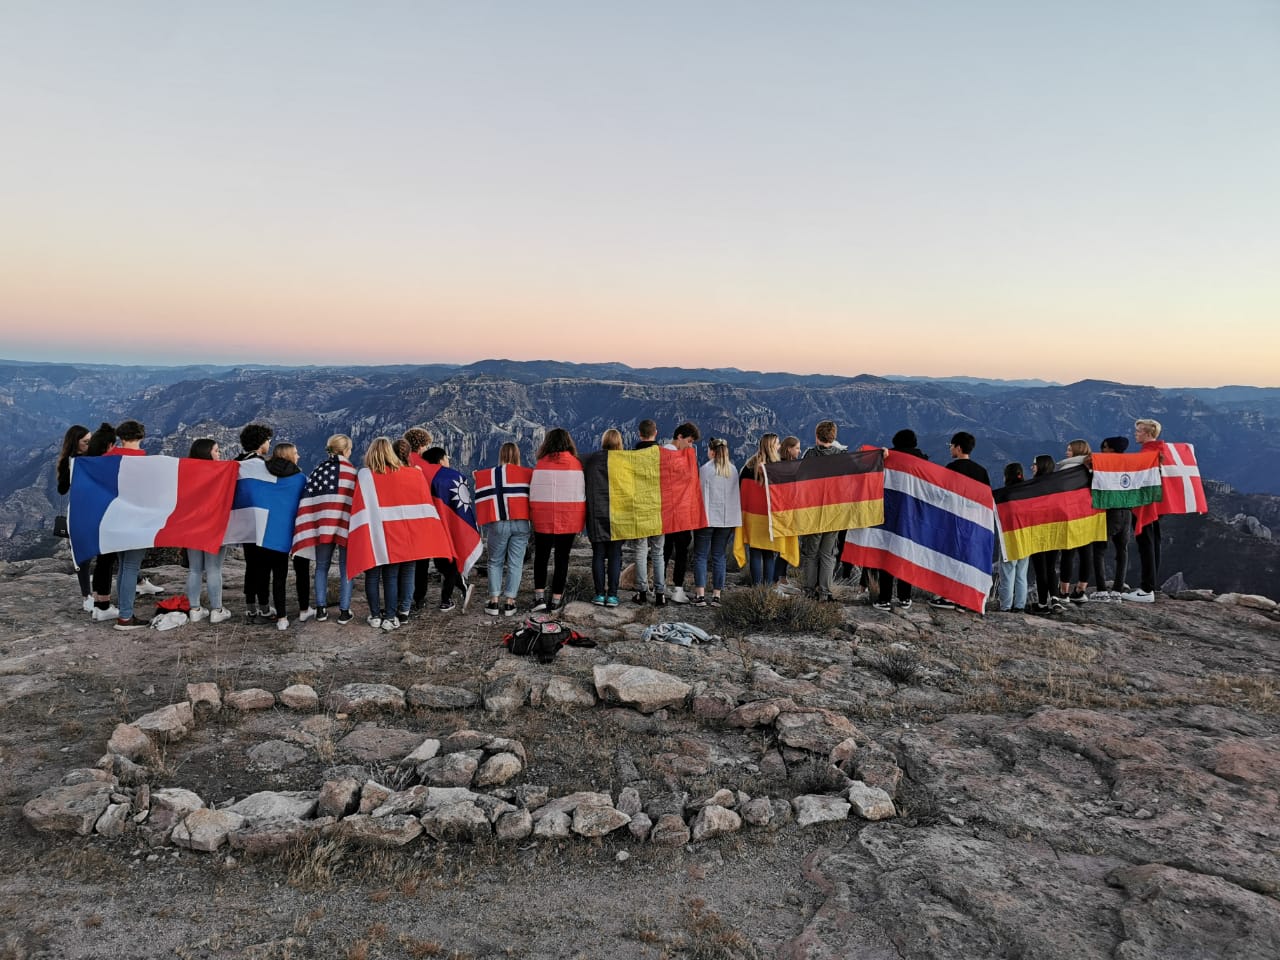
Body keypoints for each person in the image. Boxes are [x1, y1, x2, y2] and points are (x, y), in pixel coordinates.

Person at [298, 434, 358, 624]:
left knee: (321, 567)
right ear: (346, 450)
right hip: (345, 525)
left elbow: (309, 499)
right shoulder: (353, 473)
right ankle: (344, 610)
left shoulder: (318, 471)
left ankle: (321, 609)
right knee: (346, 568)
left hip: (322, 525)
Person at [929, 431, 992, 609]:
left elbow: (941, 494)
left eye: (951, 445)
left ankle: (949, 597)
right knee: (967, 557)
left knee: (950, 555)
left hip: (952, 519)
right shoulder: (981, 471)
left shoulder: (951, 468)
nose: (950, 448)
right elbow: (985, 498)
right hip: (973, 521)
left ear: (958, 447)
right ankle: (965, 597)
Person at [529, 428, 585, 613]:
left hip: (543, 518)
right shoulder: (576, 464)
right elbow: (580, 493)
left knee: (541, 558)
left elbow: (534, 493)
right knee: (562, 558)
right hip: (568, 517)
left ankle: (539, 599)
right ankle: (556, 600)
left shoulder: (541, 464)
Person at [361, 436, 414, 630]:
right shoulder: (403, 473)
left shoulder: (364, 475)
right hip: (394, 532)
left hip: (371, 532)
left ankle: (375, 615)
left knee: (372, 576)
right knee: (391, 576)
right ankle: (391, 616)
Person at [872, 429, 928, 611]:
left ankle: (884, 599)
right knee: (906, 553)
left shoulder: (888, 458)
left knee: (887, 555)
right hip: (913, 516)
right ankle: (905, 597)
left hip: (890, 513)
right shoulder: (923, 462)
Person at [476, 442, 531, 617]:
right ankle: (510, 602)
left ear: (501, 455)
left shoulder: (491, 474)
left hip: (499, 522)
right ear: (517, 455)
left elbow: (478, 482)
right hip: (521, 523)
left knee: (495, 561)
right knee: (516, 563)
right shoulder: (528, 474)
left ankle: (493, 601)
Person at [106, 420, 151, 630]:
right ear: (141, 437)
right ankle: (125, 616)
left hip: (114, 521)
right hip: (136, 522)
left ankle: (125, 611)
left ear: (120, 437)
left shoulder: (106, 459)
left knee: (123, 566)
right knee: (131, 566)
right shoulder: (146, 463)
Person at [184, 438, 233, 624]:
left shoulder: (186, 471)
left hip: (191, 525)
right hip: (214, 525)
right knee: (214, 569)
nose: (219, 454)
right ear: (207, 453)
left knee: (194, 569)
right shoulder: (220, 472)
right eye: (216, 451)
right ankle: (216, 609)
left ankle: (195, 609)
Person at [420, 447, 474, 614]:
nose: (448, 460)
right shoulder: (453, 476)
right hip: (449, 526)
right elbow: (463, 503)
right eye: (447, 457)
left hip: (428, 527)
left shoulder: (420, 476)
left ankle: (450, 594)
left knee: (441, 563)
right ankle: (452, 594)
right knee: (448, 564)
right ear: (441, 459)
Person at [691, 438, 740, 605]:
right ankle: (717, 596)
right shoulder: (733, 470)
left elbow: (698, 494)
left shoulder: (705, 469)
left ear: (712, 451)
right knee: (719, 556)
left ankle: (700, 595)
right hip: (726, 521)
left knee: (701, 555)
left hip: (706, 518)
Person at [800, 420, 844, 602]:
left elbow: (800, 481)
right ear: (834, 437)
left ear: (817, 436)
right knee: (828, 554)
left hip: (813, 512)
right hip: (834, 513)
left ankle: (809, 591)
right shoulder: (842, 457)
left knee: (811, 553)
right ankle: (825, 592)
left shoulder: (810, 455)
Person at [263, 442, 305, 630]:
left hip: (271, 530)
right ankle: (304, 609)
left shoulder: (264, 475)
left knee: (278, 576)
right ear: (288, 456)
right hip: (296, 530)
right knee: (302, 571)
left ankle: (281, 617)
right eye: (296, 453)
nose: (299, 456)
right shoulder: (300, 478)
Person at [236, 423, 274, 622]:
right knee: (263, 566)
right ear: (261, 443)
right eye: (268, 441)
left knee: (251, 565)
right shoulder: (265, 466)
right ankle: (265, 607)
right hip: (261, 522)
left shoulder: (236, 464)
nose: (269, 444)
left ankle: (250, 607)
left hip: (243, 523)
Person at [1123, 418, 1164, 603]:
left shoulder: (1148, 453)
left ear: (1148, 434)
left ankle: (1147, 589)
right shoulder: (1161, 451)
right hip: (1156, 504)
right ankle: (1150, 585)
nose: (1135, 433)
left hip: (1145, 506)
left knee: (1146, 544)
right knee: (1154, 542)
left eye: (1139, 430)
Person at [82, 423, 120, 621]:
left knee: (101, 560)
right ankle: (104, 605)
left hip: (92, 518)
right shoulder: (107, 465)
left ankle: (98, 602)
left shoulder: (85, 463)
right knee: (107, 560)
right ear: (109, 445)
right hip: (108, 518)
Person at [1091, 435, 1133, 600]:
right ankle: (1117, 590)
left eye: (1105, 447)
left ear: (1112, 449)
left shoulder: (1105, 464)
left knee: (1099, 550)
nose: (1102, 450)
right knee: (1122, 551)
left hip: (1110, 512)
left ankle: (1102, 590)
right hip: (1127, 511)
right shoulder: (1132, 464)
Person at [662, 422, 701, 602]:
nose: (690, 445)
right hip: (682, 512)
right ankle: (678, 589)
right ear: (679, 437)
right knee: (681, 550)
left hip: (666, 511)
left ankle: (660, 586)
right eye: (689, 441)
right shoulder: (684, 458)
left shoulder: (661, 453)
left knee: (664, 549)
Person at [56, 424, 93, 611]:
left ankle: (138, 580)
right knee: (82, 555)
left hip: (91, 510)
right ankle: (86, 595)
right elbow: (62, 489)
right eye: (86, 442)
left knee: (114, 548)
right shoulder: (74, 462)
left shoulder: (92, 459)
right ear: (76, 443)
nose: (90, 444)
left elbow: (61, 489)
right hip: (82, 512)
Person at [629, 419, 666, 606]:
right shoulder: (663, 455)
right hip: (659, 509)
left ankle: (642, 592)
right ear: (656, 433)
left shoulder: (631, 456)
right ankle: (661, 594)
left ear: (639, 434)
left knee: (640, 551)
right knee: (658, 552)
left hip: (639, 509)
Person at [588, 429, 625, 607]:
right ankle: (613, 595)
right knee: (615, 555)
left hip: (596, 513)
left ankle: (599, 594)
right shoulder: (625, 462)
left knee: (598, 554)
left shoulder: (592, 459)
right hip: (619, 514)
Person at [740, 432, 782, 586]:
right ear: (771, 446)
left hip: (751, 517)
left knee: (755, 552)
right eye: (777, 443)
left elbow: (741, 490)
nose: (779, 446)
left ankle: (757, 588)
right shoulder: (777, 469)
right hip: (770, 518)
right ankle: (768, 588)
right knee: (769, 554)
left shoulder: (749, 467)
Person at [1056, 439, 1093, 602]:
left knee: (1068, 553)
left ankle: (1064, 592)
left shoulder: (1068, 469)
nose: (1066, 453)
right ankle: (1080, 590)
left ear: (1077, 452)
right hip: (1088, 514)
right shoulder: (1091, 468)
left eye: (1069, 450)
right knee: (1086, 553)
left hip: (1070, 515)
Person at [1028, 455, 1065, 614]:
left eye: (1034, 464)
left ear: (1041, 466)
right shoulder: (1058, 484)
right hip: (1055, 530)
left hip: (1037, 531)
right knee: (1050, 567)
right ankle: (1055, 599)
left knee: (1040, 568)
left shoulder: (1032, 486)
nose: (1032, 467)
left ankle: (1043, 603)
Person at [403, 426, 435, 608]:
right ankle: (419, 597)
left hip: (403, 518)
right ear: (422, 445)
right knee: (422, 561)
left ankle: (404, 595)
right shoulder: (426, 465)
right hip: (423, 518)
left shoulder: (400, 461)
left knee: (406, 561)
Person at [995, 462, 1030, 612]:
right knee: (1022, 574)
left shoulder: (1004, 494)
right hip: (1027, 537)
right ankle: (1020, 605)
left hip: (1009, 538)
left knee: (1007, 573)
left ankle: (1006, 606)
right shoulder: (1029, 492)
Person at [772, 436, 801, 589]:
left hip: (789, 510)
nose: (799, 451)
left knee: (788, 543)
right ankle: (776, 579)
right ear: (789, 449)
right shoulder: (782, 466)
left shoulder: (791, 464)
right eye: (797, 448)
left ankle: (782, 577)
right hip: (783, 511)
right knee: (782, 545)